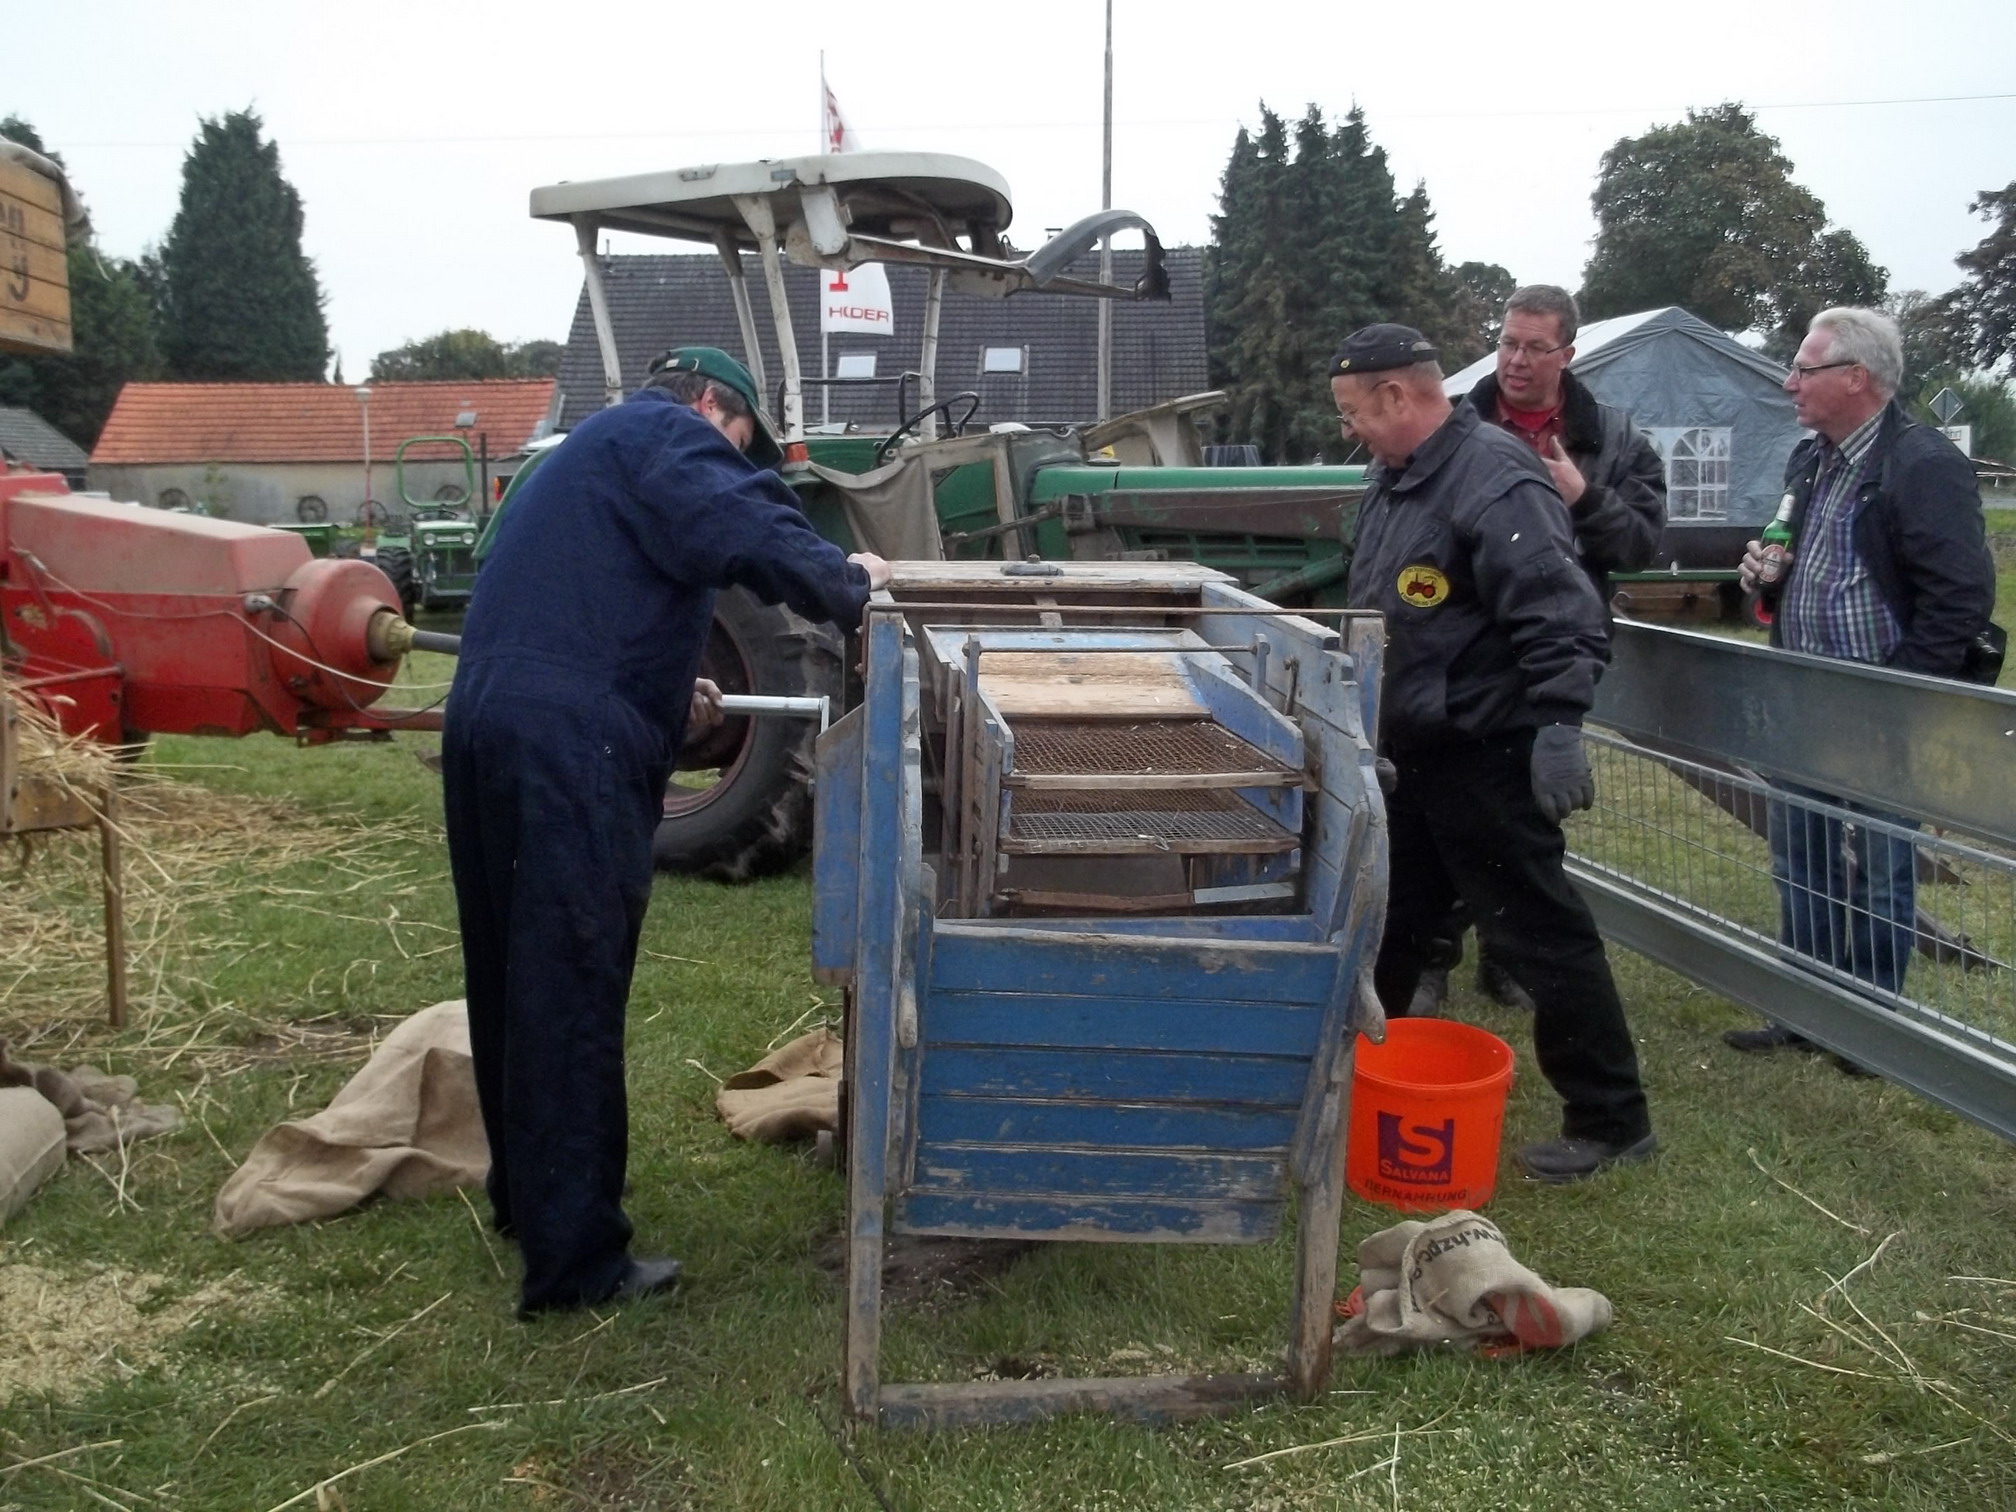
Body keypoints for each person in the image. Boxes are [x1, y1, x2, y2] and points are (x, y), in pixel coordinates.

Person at [442, 347, 891, 1315]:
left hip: (490, 719)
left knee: (513, 970)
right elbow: (748, 523)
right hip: (565, 744)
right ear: (711, 405)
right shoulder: (665, 431)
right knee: (571, 980)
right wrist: (854, 580)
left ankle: (530, 1201)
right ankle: (576, 1266)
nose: (734, 461)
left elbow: (591, 598)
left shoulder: (583, 453)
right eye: (740, 443)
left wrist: (663, 687)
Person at [1334, 323, 1655, 1184]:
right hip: (1415, 751)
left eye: (1353, 411)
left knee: (1540, 933)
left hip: (1487, 752)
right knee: (1390, 924)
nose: (1349, 429)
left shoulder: (1495, 479)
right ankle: (1354, 1077)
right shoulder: (1398, 479)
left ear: (1397, 395)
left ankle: (1612, 1119)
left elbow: (1561, 611)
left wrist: (1559, 727)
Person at [1722, 307, 1996, 1059]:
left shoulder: (1923, 463)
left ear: (1855, 378)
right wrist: (1766, 576)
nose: (1789, 383)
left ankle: (1867, 1030)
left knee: (1881, 867)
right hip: (1803, 695)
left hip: (1880, 705)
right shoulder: (1810, 458)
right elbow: (1799, 564)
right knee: (1800, 858)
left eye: (1803, 370)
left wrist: (1895, 697)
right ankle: (1805, 1012)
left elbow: (1961, 599)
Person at [1416, 285, 1669, 1015]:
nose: (1516, 360)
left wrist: (1585, 498)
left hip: (1546, 650)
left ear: (1568, 353)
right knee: (1438, 807)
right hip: (1458, 650)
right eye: (1507, 343)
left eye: (1534, 347)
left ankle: (1511, 958)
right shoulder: (1453, 423)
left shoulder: (1613, 439)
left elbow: (1643, 545)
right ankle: (1430, 953)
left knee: (1526, 818)